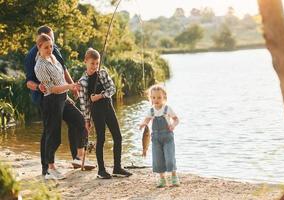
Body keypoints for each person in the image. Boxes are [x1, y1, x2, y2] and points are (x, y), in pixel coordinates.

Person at [24, 26, 95, 177]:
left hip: (63, 97)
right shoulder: (36, 62)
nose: (51, 47)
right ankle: (48, 168)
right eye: (47, 46)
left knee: (79, 121)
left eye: (52, 44)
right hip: (48, 100)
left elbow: (62, 70)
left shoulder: (53, 54)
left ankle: (79, 157)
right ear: (39, 46)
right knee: (51, 134)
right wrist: (40, 86)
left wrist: (71, 88)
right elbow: (35, 83)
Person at [78, 48, 132, 179]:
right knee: (101, 139)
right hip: (96, 112)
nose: (95, 66)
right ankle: (101, 170)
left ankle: (117, 168)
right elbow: (84, 103)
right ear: (85, 61)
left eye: (97, 63)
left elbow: (112, 88)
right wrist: (87, 120)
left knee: (118, 136)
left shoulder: (102, 73)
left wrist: (100, 96)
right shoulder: (82, 82)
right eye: (92, 63)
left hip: (108, 106)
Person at [139, 85, 180, 187]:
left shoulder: (167, 109)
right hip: (156, 138)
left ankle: (174, 176)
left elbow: (176, 119)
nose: (156, 100)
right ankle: (162, 179)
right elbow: (147, 120)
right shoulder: (151, 110)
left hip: (168, 137)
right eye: (153, 97)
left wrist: (173, 125)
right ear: (150, 98)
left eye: (159, 97)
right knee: (158, 159)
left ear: (164, 98)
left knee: (170, 158)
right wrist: (143, 123)